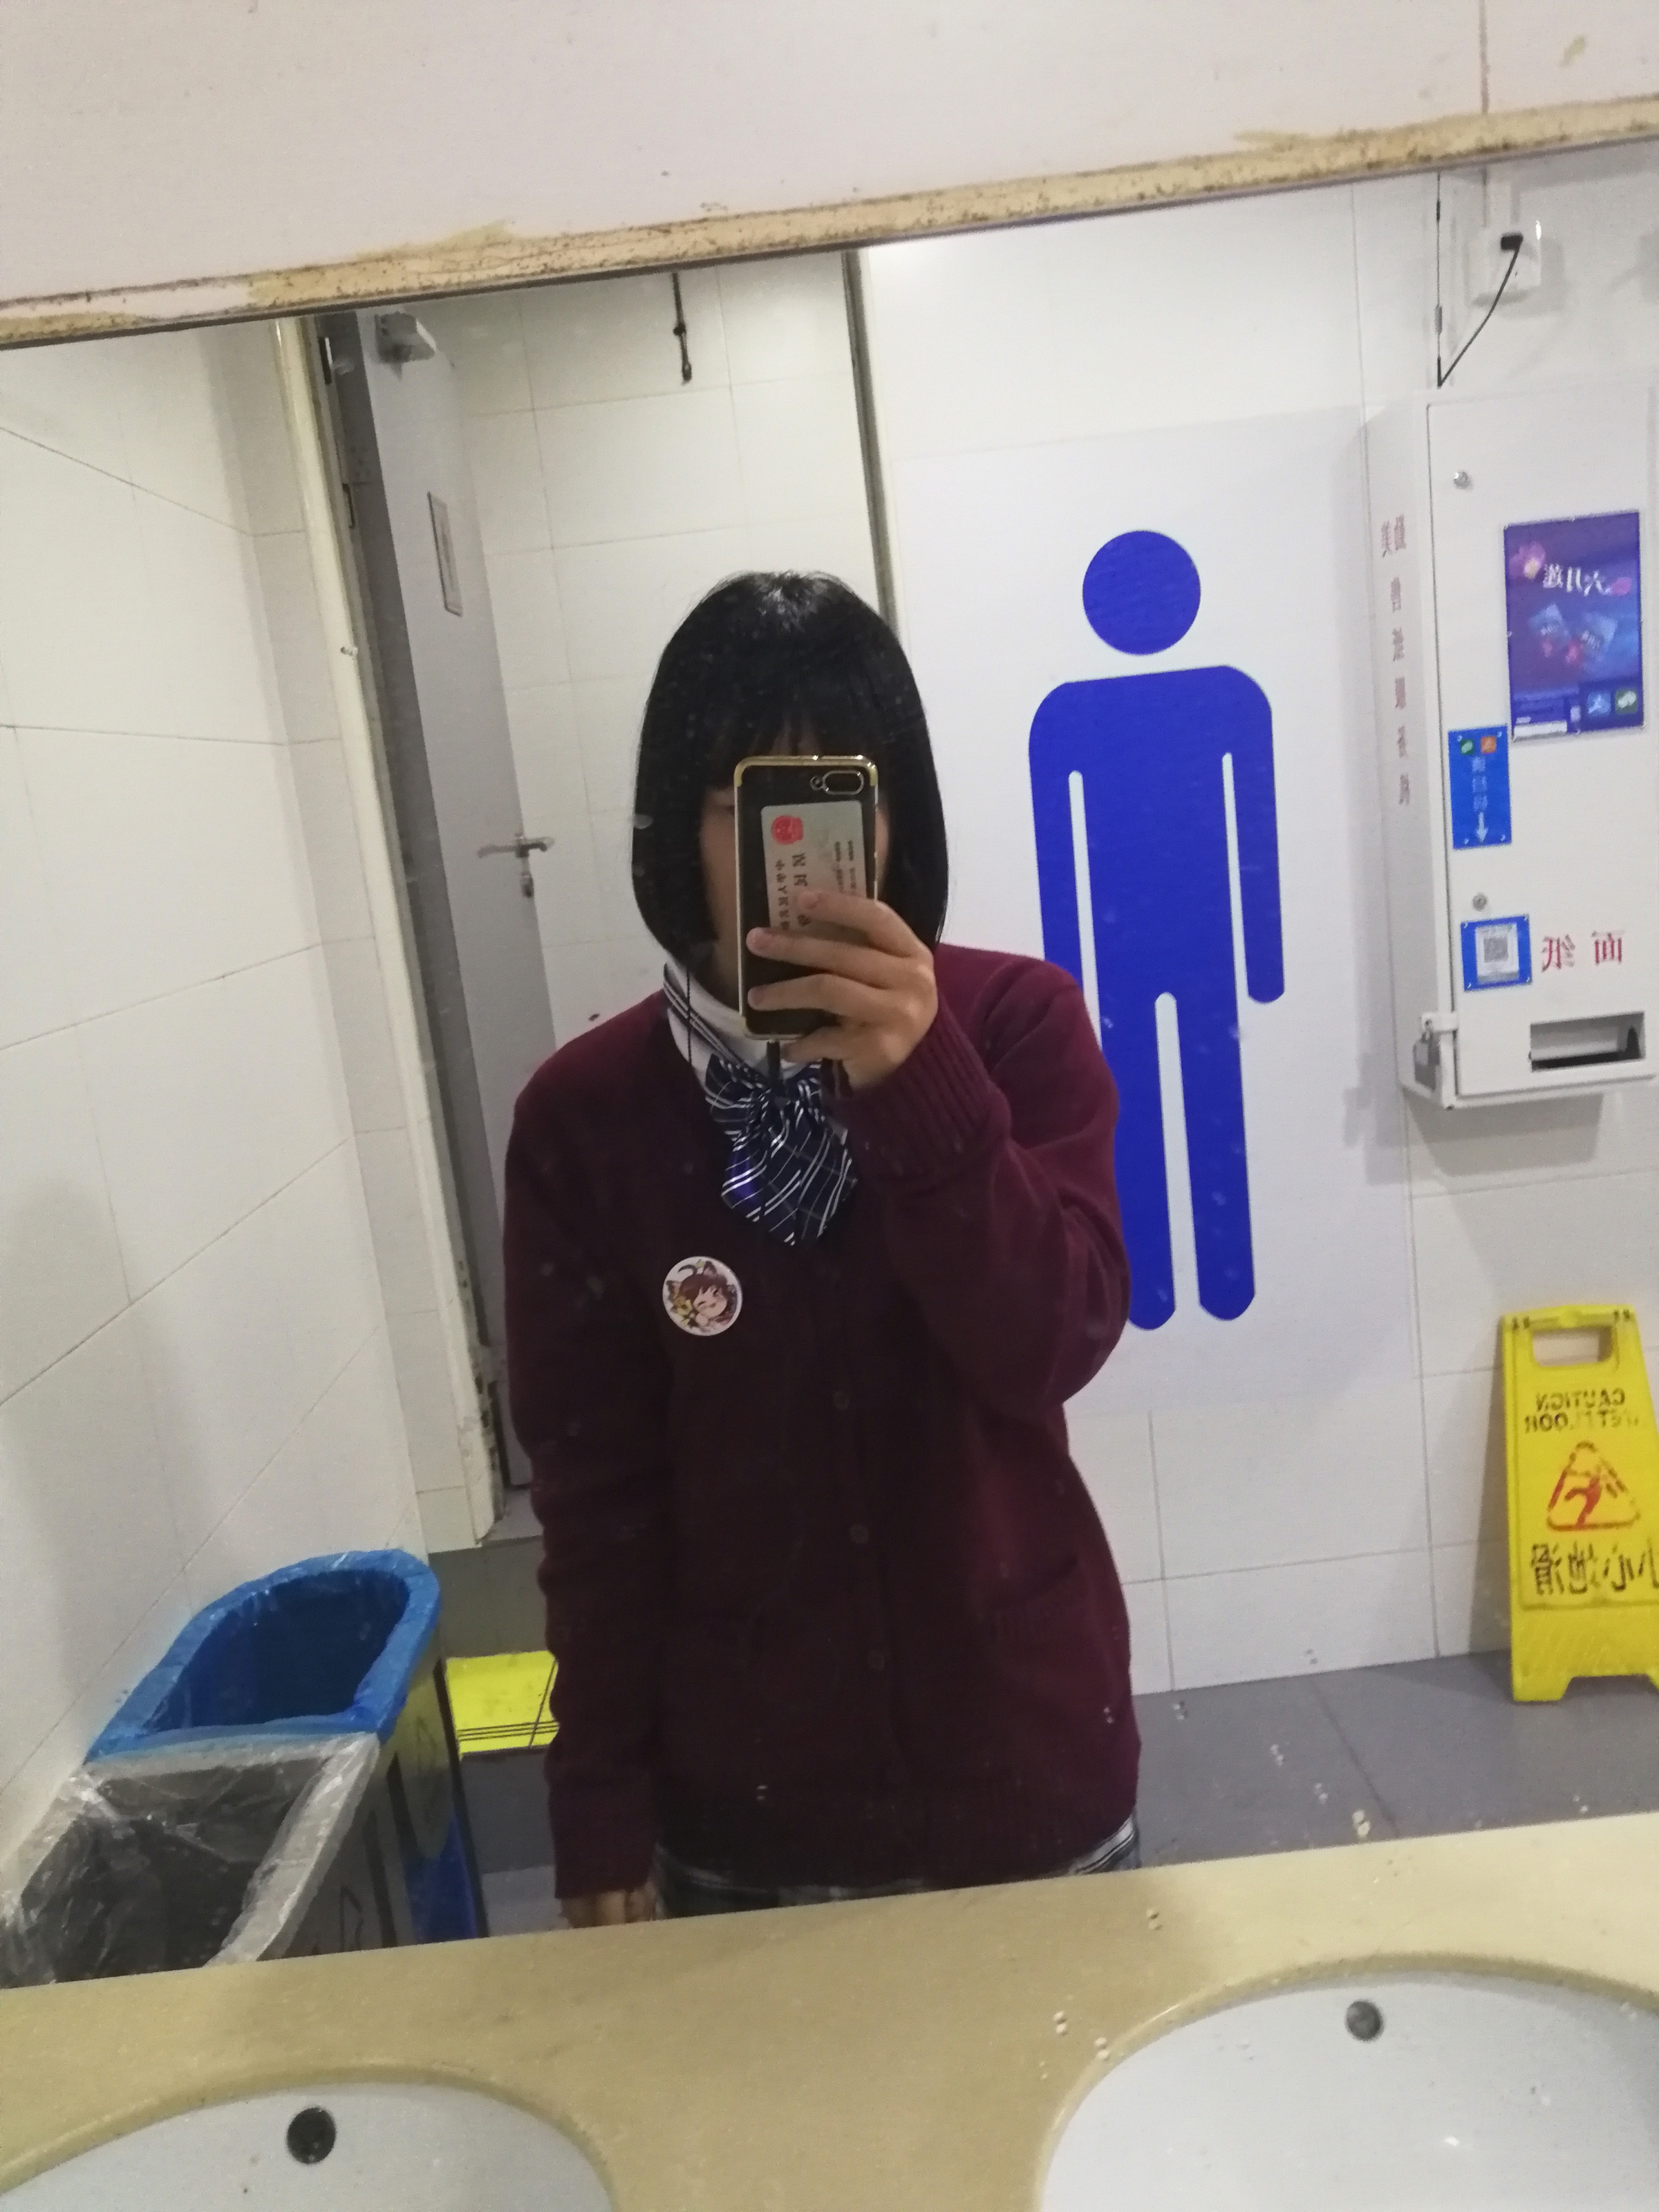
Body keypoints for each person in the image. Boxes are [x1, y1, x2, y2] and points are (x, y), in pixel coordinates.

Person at [503, 572, 1138, 1925]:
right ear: (678, 827)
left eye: (840, 798)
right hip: (750, 1822)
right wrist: (597, 1809)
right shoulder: (585, 1120)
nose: (798, 852)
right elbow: (596, 1499)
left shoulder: (1014, 1027)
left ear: (896, 821)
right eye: (750, 804)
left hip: (1028, 1775)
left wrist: (924, 1087)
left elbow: (1057, 1339)